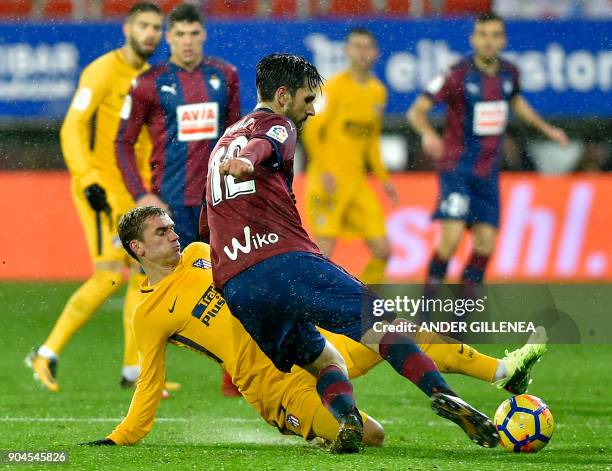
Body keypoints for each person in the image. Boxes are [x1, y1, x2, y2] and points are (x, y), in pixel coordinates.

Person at [202, 53, 500, 452]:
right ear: (283, 95)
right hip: (283, 261)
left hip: (238, 287)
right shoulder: (278, 125)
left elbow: (208, 224)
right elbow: (264, 145)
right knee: (382, 323)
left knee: (325, 362)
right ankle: (444, 394)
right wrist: (247, 161)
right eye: (307, 100)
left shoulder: (222, 142)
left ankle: (347, 422)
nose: (311, 110)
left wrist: (238, 165)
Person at [81, 206, 545, 447]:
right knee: (372, 436)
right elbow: (149, 383)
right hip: (275, 386)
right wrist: (122, 436)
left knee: (393, 328)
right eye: (160, 233)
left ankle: (502, 371)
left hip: (309, 342)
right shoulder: (148, 312)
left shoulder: (203, 253)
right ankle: (325, 429)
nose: (173, 234)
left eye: (170, 227)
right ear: (137, 249)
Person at [25, 2, 174, 393]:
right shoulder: (103, 71)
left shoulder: (153, 77)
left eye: (156, 27)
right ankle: (46, 353)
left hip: (134, 191)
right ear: (127, 28)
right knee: (109, 275)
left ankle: (133, 369)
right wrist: (87, 177)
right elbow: (72, 125)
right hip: (101, 190)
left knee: (140, 276)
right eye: (143, 25)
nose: (150, 34)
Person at [115, 3, 241, 396]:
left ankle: (234, 370)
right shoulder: (148, 83)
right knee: (159, 290)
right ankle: (147, 373)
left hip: (217, 201)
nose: (187, 42)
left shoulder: (225, 76)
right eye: (180, 34)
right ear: (169, 38)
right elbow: (122, 142)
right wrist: (143, 195)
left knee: (231, 282)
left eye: (194, 34)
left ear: (203, 35)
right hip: (169, 205)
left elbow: (238, 133)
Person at [407, 12, 569, 307]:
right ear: (472, 39)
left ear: (504, 40)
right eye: (483, 34)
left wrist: (548, 129)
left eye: (495, 35)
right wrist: (429, 135)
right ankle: (425, 312)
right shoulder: (456, 73)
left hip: (488, 174)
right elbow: (416, 111)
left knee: (486, 245)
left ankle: (460, 319)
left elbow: (516, 101)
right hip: (457, 169)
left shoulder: (509, 73)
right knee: (450, 240)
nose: (488, 41)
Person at [302, 28, 397, 285]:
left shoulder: (378, 91)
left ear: (376, 53)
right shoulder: (331, 88)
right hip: (329, 181)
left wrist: (384, 178)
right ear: (346, 51)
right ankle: (313, 314)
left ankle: (362, 303)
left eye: (367, 47)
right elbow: (311, 132)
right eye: (356, 46)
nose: (362, 52)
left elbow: (372, 141)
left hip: (357, 184)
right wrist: (324, 170)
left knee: (383, 251)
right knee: (323, 253)